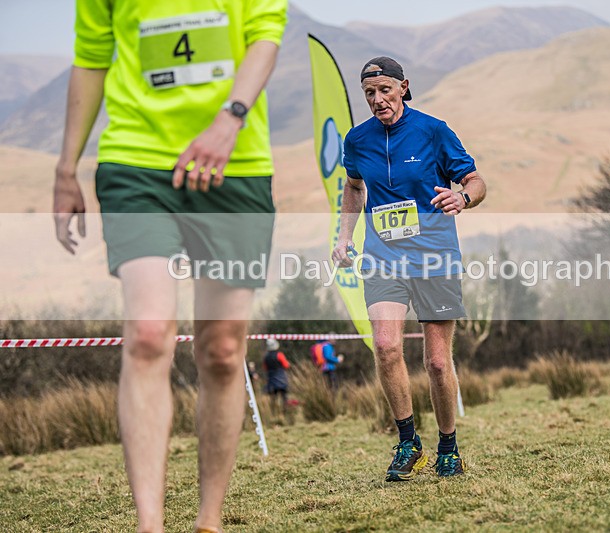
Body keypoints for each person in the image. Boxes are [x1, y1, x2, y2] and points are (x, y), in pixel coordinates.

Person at [53, 2, 287, 531]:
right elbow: (91, 57)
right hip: (137, 163)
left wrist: (229, 120)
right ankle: (149, 525)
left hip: (236, 163)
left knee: (223, 351)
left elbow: (265, 34)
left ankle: (209, 521)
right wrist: (66, 167)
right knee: (150, 334)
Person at [332, 57, 487, 480]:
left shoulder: (433, 131)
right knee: (385, 347)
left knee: (437, 362)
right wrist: (344, 237)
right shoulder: (357, 139)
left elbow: (475, 181)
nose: (377, 99)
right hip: (383, 257)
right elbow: (352, 186)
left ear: (403, 87)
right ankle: (407, 441)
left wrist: (464, 198)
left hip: (434, 256)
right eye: (369, 93)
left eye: (384, 90)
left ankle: (448, 447)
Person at [262, 338, 291, 413]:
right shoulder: (279, 355)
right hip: (281, 378)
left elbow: (265, 368)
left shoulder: (266, 357)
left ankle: (273, 412)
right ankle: (285, 411)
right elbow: (286, 365)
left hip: (271, 378)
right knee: (284, 396)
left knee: (273, 397)